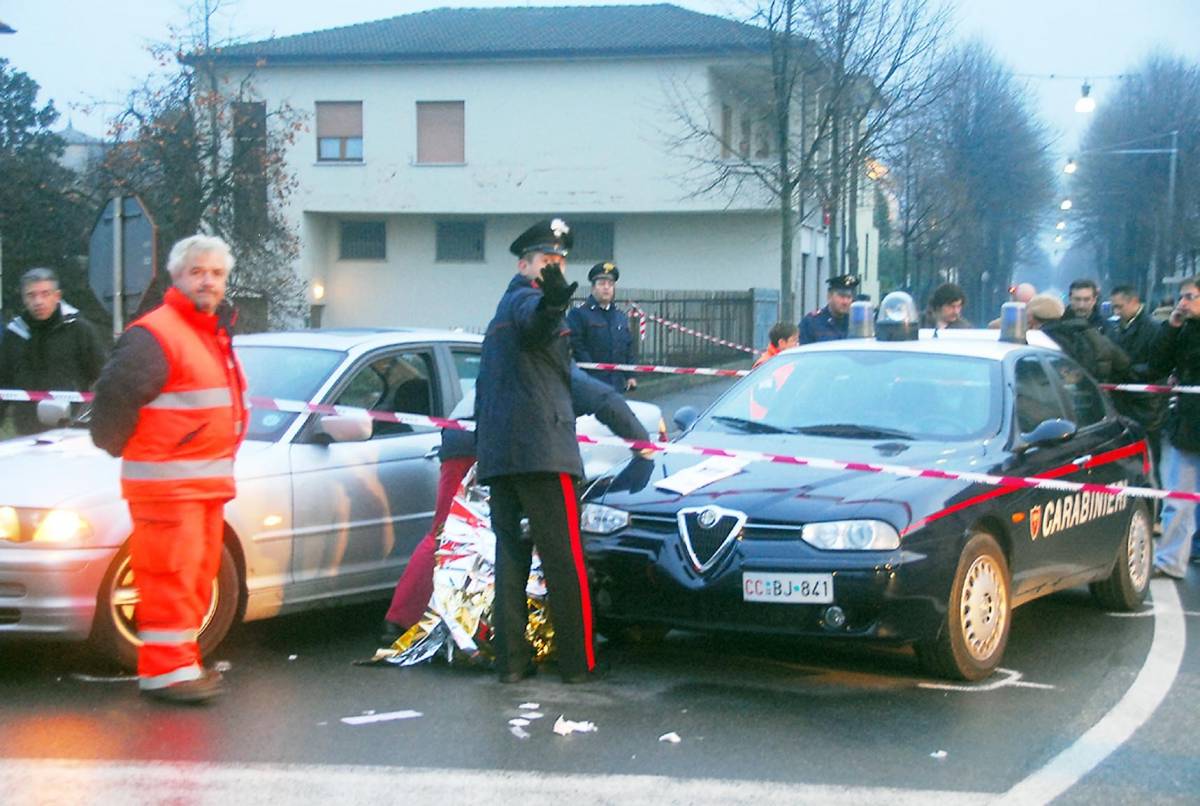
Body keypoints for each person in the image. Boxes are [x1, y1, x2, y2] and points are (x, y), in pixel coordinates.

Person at [379, 365, 651, 643]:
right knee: (527, 540)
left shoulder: (504, 351)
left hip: (463, 440)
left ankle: (401, 620)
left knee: (447, 533)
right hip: (493, 443)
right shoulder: (553, 364)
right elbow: (605, 400)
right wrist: (642, 443)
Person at [89, 235, 247, 704]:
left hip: (198, 485)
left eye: (217, 273)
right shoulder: (157, 334)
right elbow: (114, 399)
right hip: (168, 486)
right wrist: (116, 444)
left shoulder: (208, 332)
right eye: (198, 271)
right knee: (169, 578)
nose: (208, 281)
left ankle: (178, 665)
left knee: (193, 579)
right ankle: (165, 672)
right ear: (176, 277)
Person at [475, 217, 599, 684]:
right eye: (546, 261)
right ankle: (578, 664)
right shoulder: (528, 302)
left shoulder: (499, 311)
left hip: (502, 457)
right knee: (564, 560)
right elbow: (539, 321)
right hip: (543, 454)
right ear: (524, 264)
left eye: (559, 263)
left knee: (511, 559)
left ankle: (512, 662)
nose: (554, 268)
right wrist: (554, 300)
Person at [0, 267, 107, 435]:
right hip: (26, 432)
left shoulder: (80, 330)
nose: (38, 301)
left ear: (57, 296)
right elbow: (3, 382)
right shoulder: (14, 335)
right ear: (23, 299)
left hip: (72, 430)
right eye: (31, 295)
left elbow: (103, 377)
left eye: (45, 294)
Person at [1148, 276, 1200, 579]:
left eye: (1190, 297)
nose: (1183, 303)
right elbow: (1156, 365)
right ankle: (1170, 561)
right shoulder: (1183, 330)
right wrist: (1172, 328)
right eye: (1181, 297)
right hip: (1188, 428)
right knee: (1178, 501)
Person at [1109, 285, 1168, 477]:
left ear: (1134, 302)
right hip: (1123, 401)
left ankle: (1154, 501)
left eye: (1119, 307)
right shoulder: (1116, 326)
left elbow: (1158, 367)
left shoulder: (1153, 328)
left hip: (1146, 407)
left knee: (1149, 464)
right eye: (1114, 307)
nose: (1116, 312)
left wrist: (1126, 370)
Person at [1026, 293, 1130, 383]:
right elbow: (1124, 364)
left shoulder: (1035, 339)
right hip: (1092, 397)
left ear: (1030, 316)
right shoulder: (1086, 332)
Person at [567, 261, 637, 393]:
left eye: (610, 284)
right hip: (589, 384)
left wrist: (630, 375)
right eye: (601, 284)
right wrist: (593, 375)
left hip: (616, 385)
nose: (606, 288)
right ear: (593, 288)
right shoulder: (579, 314)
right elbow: (577, 348)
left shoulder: (620, 317)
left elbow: (627, 348)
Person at [799, 275, 859, 344]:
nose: (845, 302)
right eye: (841, 296)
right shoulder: (812, 323)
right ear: (829, 296)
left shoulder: (856, 323)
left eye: (849, 297)